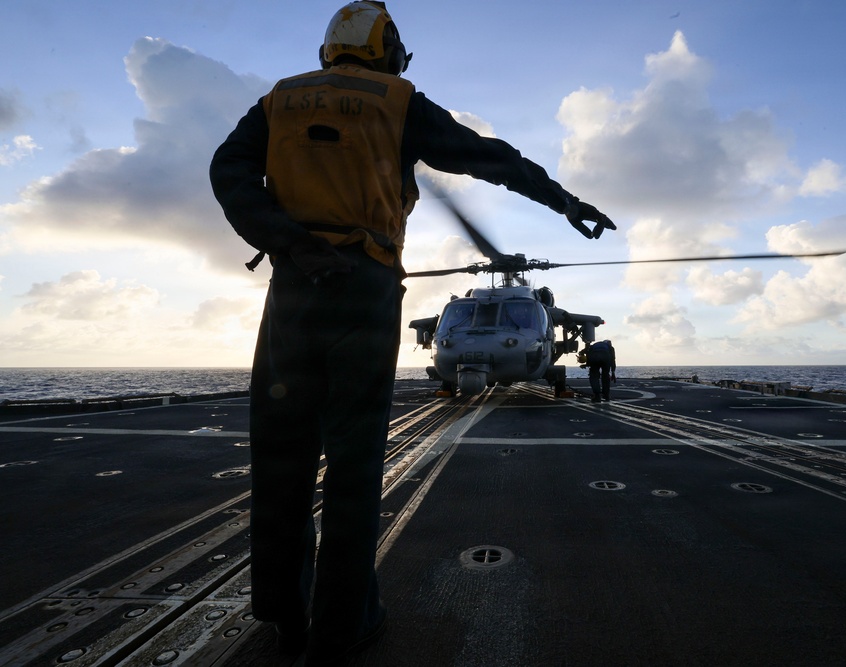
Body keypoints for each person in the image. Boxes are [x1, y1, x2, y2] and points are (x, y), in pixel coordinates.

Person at [208, 2, 616, 664]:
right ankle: (342, 627)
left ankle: (285, 613)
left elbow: (228, 173)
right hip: (364, 294)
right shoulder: (398, 102)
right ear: (389, 49)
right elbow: (492, 158)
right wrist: (564, 201)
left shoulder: (277, 102)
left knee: (280, 464)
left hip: (292, 295)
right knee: (354, 468)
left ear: (328, 50)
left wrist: (285, 238)